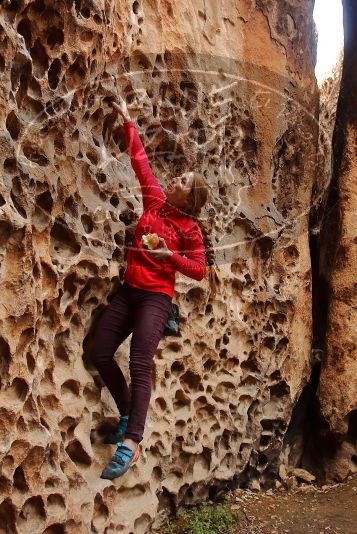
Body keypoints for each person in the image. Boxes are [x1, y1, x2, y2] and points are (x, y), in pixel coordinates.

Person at [92, 95, 210, 480]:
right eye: (179, 177)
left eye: (183, 182)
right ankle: (126, 413)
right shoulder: (155, 202)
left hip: (157, 299)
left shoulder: (189, 229)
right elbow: (139, 162)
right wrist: (127, 120)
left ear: (189, 199)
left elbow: (199, 270)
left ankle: (131, 443)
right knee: (99, 351)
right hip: (129, 290)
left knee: (140, 362)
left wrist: (168, 259)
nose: (175, 179)